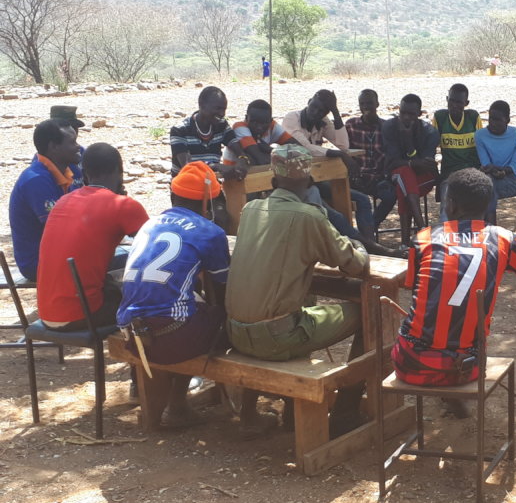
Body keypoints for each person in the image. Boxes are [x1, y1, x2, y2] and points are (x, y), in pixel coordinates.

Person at [225, 145, 370, 438]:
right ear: (310, 183)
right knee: (370, 314)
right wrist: (360, 246)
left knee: (300, 298)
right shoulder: (309, 216)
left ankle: (281, 411)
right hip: (276, 338)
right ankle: (345, 412)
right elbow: (356, 266)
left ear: (274, 182)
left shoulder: (251, 209)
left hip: (236, 333)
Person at [393, 168, 516, 389]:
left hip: (409, 363)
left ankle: (452, 401)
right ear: (487, 205)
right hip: (464, 368)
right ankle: (453, 399)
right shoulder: (503, 239)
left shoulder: (423, 238)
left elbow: (418, 290)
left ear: (451, 205)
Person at [117, 162, 230, 428]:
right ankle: (227, 404)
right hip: (172, 334)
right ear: (208, 202)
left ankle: (170, 407)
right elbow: (224, 288)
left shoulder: (148, 225)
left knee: (187, 307)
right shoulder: (210, 232)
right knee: (223, 321)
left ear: (173, 195)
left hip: (130, 331)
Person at [36, 144, 149, 330]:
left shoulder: (64, 201)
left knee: (112, 283)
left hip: (47, 312)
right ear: (119, 171)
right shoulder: (123, 205)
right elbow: (156, 250)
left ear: (85, 173)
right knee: (149, 299)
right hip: (83, 314)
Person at [282, 90, 377, 243]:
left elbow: (343, 145)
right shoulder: (292, 119)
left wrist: (336, 112)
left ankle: (370, 243)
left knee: (362, 200)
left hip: (317, 179)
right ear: (308, 101)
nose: (315, 112)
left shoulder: (323, 121)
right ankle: (365, 245)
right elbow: (304, 148)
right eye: (314, 107)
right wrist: (339, 154)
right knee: (336, 216)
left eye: (322, 111)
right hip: (298, 184)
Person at [9, 120, 81, 281]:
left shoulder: (64, 173)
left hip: (57, 254)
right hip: (37, 262)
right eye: (72, 142)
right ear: (53, 146)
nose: (78, 147)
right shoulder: (36, 180)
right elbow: (60, 230)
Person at [170, 85, 241, 229]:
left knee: (222, 219)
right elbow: (188, 166)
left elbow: (238, 148)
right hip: (186, 188)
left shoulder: (221, 125)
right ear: (201, 105)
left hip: (211, 186)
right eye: (218, 108)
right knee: (190, 226)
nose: (222, 113)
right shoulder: (180, 129)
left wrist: (242, 161)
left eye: (224, 109)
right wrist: (215, 166)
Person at [382, 94, 440, 244]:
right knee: (405, 175)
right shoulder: (389, 127)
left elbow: (425, 167)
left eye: (411, 114)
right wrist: (413, 163)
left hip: (424, 179)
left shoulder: (429, 132)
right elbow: (392, 162)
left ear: (419, 114)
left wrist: (408, 142)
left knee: (405, 181)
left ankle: (406, 243)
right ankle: (422, 230)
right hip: (397, 176)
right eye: (403, 113)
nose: (406, 117)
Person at [345, 89, 398, 230]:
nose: (366, 107)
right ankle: (351, 232)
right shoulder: (351, 125)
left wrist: (385, 174)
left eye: (369, 103)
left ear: (377, 104)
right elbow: (344, 150)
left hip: (378, 177)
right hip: (356, 177)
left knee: (390, 196)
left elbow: (391, 154)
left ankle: (369, 229)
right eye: (362, 104)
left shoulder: (386, 127)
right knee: (340, 195)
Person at [474, 100, 516, 225]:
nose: (493, 123)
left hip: (512, 178)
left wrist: (503, 171)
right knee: (486, 186)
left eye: (497, 120)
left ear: (507, 120)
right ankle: (487, 227)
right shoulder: (480, 135)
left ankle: (490, 227)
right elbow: (485, 163)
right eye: (490, 119)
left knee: (485, 190)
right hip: (490, 175)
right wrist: (493, 170)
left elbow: (514, 165)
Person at [434, 83, 481, 221]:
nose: (454, 105)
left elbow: (481, 146)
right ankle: (446, 239)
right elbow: (432, 146)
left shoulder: (473, 117)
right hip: (450, 174)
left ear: (466, 103)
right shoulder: (440, 117)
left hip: (472, 173)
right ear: (447, 99)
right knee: (447, 208)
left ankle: (474, 239)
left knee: (473, 209)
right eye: (451, 101)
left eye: (459, 102)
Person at [221, 99, 296, 169]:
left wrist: (270, 150)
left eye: (264, 123)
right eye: (254, 122)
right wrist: (272, 152)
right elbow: (261, 159)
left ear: (270, 121)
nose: (259, 127)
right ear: (246, 118)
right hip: (234, 175)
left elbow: (299, 150)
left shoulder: (273, 127)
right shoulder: (239, 127)